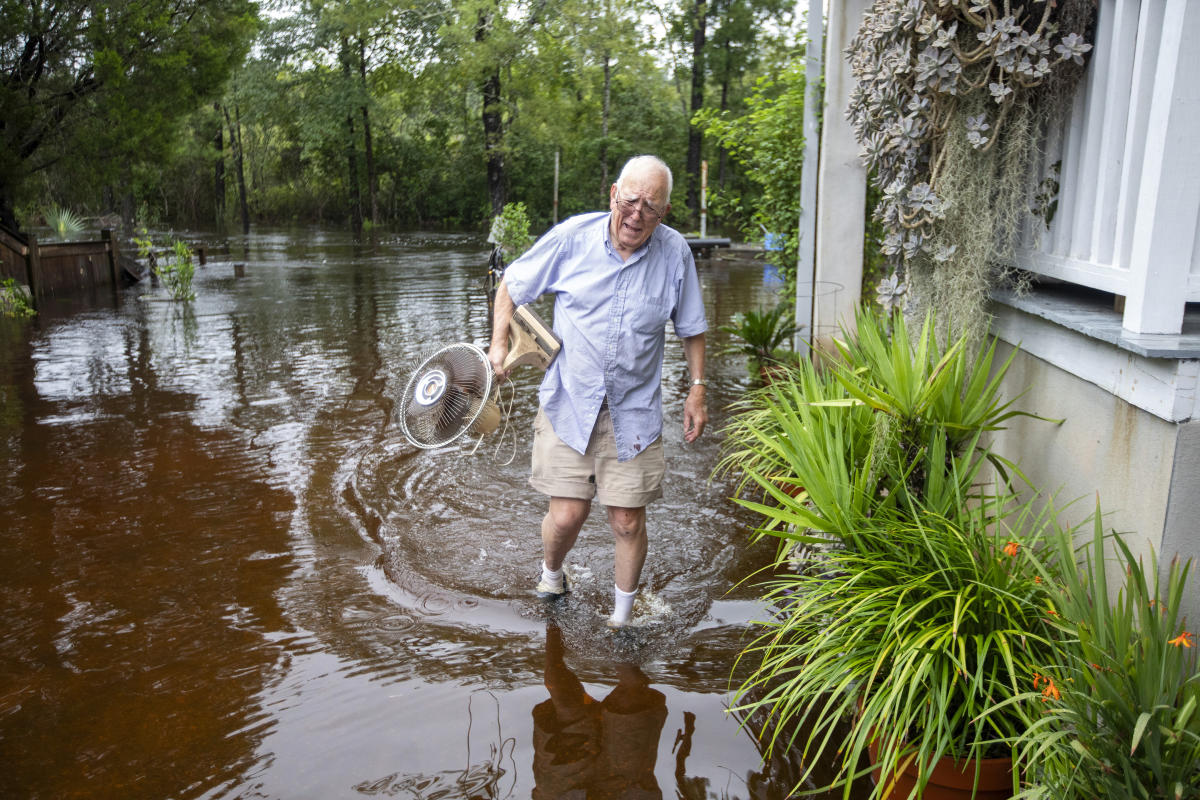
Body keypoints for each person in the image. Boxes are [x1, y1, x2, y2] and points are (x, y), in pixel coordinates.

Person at [488, 154, 708, 628]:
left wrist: (696, 390)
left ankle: (622, 620)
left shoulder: (676, 254)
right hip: (570, 400)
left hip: (634, 411)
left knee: (626, 521)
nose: (637, 214)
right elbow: (512, 283)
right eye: (630, 200)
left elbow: (691, 327)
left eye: (651, 206)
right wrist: (498, 345)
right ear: (613, 194)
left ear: (664, 213)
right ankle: (552, 574)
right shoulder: (572, 239)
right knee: (566, 516)